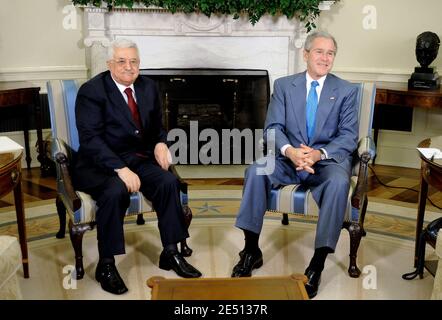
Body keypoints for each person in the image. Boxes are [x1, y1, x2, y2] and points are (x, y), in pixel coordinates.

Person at [231, 31, 359, 299]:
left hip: (326, 162)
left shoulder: (346, 90)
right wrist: (290, 152)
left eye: (330, 53)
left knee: (338, 183)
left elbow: (348, 137)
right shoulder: (284, 86)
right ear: (306, 54)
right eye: (319, 52)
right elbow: (273, 128)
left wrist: (317, 154)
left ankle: (317, 264)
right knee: (256, 170)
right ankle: (251, 250)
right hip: (287, 159)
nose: (325, 58)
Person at [73, 38, 202, 295]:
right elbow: (90, 139)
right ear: (110, 64)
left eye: (134, 62)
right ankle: (106, 265)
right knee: (114, 191)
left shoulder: (148, 87)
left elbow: (156, 127)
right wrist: (120, 170)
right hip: (99, 163)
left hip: (137, 158)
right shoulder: (92, 91)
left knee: (168, 182)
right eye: (121, 61)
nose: (129, 67)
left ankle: (170, 252)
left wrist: (160, 143)